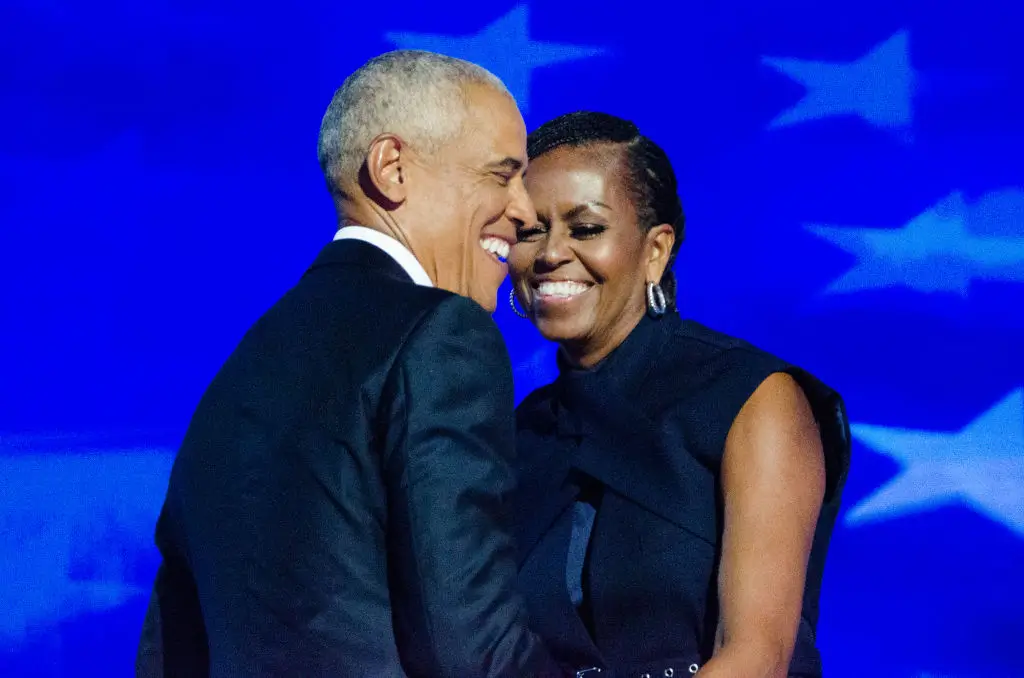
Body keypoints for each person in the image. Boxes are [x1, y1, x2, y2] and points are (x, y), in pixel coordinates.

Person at [136, 50, 565, 678]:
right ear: (392, 169)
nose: (525, 211)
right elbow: (471, 652)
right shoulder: (442, 335)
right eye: (502, 176)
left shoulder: (240, 371)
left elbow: (169, 649)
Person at [507, 111, 851, 678]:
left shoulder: (753, 398)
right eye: (530, 230)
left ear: (655, 251)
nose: (550, 253)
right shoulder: (523, 433)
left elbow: (756, 657)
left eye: (585, 228)